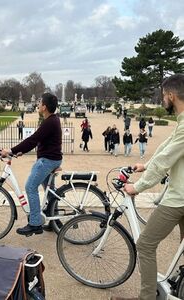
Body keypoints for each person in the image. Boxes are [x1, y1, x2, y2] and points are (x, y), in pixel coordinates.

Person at [111, 74, 184, 300]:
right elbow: (166, 147)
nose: (163, 99)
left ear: (171, 95)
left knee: (145, 244)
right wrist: (145, 165)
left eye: (163, 95)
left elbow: (165, 161)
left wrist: (138, 187)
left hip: (179, 198)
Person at [0, 93, 62, 236]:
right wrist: (21, 151)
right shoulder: (52, 120)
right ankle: (55, 221)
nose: (38, 104)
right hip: (53, 159)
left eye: (40, 102)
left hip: (47, 161)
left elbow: (33, 139)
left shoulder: (49, 122)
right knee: (50, 190)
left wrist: (11, 150)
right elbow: (40, 140)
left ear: (44, 107)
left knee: (30, 187)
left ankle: (35, 223)